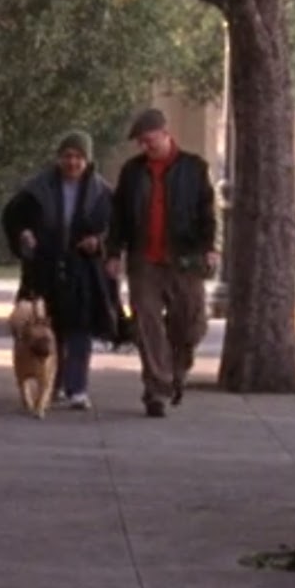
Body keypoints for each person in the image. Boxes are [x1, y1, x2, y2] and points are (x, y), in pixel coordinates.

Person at [105, 108, 219, 418]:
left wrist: (210, 248)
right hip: (145, 260)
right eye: (141, 142)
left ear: (165, 133)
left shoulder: (194, 169)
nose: (145, 146)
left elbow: (208, 212)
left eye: (149, 139)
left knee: (190, 325)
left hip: (184, 259)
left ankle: (176, 372)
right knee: (147, 323)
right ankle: (157, 388)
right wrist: (114, 252)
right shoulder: (132, 172)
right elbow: (119, 217)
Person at [0, 130, 117, 410]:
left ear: (88, 161)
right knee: (47, 327)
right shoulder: (36, 189)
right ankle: (51, 381)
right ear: (58, 158)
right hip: (44, 265)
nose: (72, 162)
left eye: (78, 157)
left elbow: (117, 228)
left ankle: (77, 387)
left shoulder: (102, 193)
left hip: (82, 268)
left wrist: (99, 242)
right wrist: (24, 234)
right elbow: (12, 217)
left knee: (79, 328)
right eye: (67, 156)